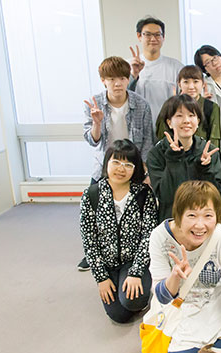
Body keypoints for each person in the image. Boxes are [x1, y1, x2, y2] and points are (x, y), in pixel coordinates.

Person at [147, 180, 221, 353]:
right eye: (192, 215)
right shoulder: (159, 237)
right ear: (178, 214)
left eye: (208, 216)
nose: (200, 225)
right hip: (182, 307)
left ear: (218, 216)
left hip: (217, 305)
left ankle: (214, 345)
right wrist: (175, 277)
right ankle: (197, 345)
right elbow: (162, 296)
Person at [80, 56, 153, 271]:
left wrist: (146, 171)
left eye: (122, 78)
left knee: (135, 211)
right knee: (98, 208)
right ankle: (94, 254)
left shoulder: (140, 104)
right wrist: (97, 122)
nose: (118, 83)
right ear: (103, 80)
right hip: (104, 166)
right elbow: (93, 141)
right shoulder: (94, 103)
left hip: (132, 165)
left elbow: (148, 140)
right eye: (111, 79)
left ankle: (137, 255)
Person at [80, 140, 158, 323]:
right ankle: (115, 285)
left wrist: (136, 272)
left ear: (135, 168)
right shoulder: (92, 194)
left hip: (133, 260)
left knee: (133, 301)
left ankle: (142, 294)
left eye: (128, 164)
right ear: (106, 162)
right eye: (116, 162)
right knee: (118, 315)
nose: (121, 169)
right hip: (107, 264)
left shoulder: (143, 194)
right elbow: (89, 241)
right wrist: (101, 278)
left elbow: (148, 236)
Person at [147, 94, 221, 222]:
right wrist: (173, 159)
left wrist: (205, 169)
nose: (186, 120)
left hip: (203, 224)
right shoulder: (157, 153)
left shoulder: (209, 151)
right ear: (169, 122)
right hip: (172, 223)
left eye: (191, 115)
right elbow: (165, 195)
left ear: (198, 121)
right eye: (179, 115)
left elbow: (217, 195)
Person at [128, 17, 183, 125]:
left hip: (167, 128)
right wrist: (133, 75)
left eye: (158, 34)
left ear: (163, 37)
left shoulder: (176, 67)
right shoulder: (128, 66)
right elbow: (118, 98)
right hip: (137, 130)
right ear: (139, 36)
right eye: (147, 34)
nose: (153, 39)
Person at [155, 65, 221, 150]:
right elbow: (161, 133)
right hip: (173, 154)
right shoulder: (170, 105)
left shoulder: (211, 107)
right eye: (186, 82)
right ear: (179, 84)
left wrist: (209, 156)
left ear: (203, 84)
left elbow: (214, 138)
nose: (191, 87)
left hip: (202, 156)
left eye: (195, 81)